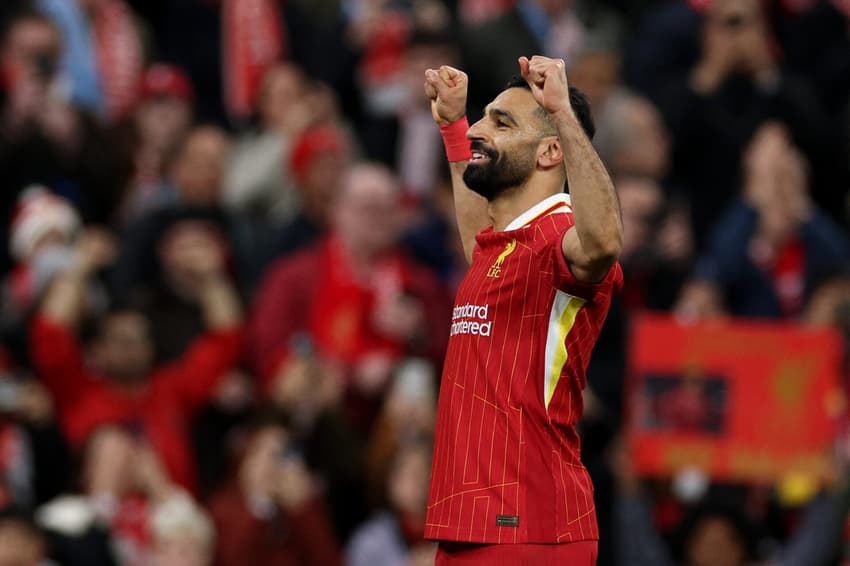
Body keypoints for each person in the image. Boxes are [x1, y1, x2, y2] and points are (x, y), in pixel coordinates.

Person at [422, 55, 623, 563]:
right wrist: (452, 126)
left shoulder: (561, 237)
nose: (479, 131)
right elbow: (478, 252)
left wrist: (561, 108)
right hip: (473, 522)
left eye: (500, 122)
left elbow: (603, 244)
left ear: (552, 151)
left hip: (531, 525)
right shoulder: (506, 246)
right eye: (484, 117)